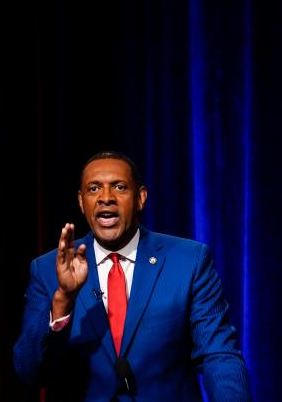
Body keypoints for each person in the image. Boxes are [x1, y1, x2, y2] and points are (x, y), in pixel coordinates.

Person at [13, 152, 250, 401]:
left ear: (140, 198)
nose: (106, 198)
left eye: (119, 187)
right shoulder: (47, 270)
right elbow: (31, 373)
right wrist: (63, 300)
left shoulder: (189, 260)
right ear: (82, 202)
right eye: (94, 189)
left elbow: (218, 354)